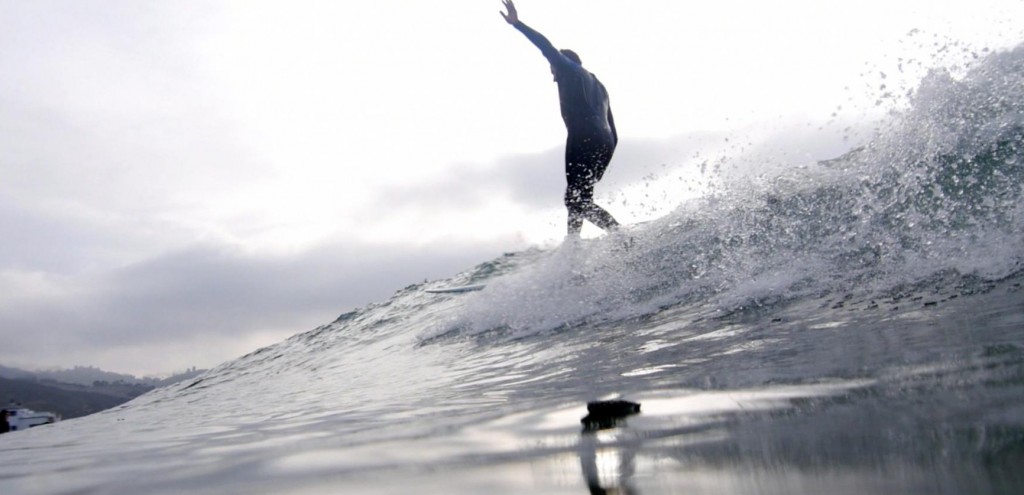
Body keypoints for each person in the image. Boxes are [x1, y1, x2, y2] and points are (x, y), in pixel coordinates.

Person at [500, 0, 620, 237]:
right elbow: (614, 132)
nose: (553, 76)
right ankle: (574, 245)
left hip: (582, 138)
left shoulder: (569, 69)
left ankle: (617, 235)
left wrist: (517, 24)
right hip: (604, 143)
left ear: (562, 64)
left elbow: (546, 47)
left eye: (553, 70)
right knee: (578, 199)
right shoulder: (600, 86)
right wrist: (603, 163)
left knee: (575, 199)